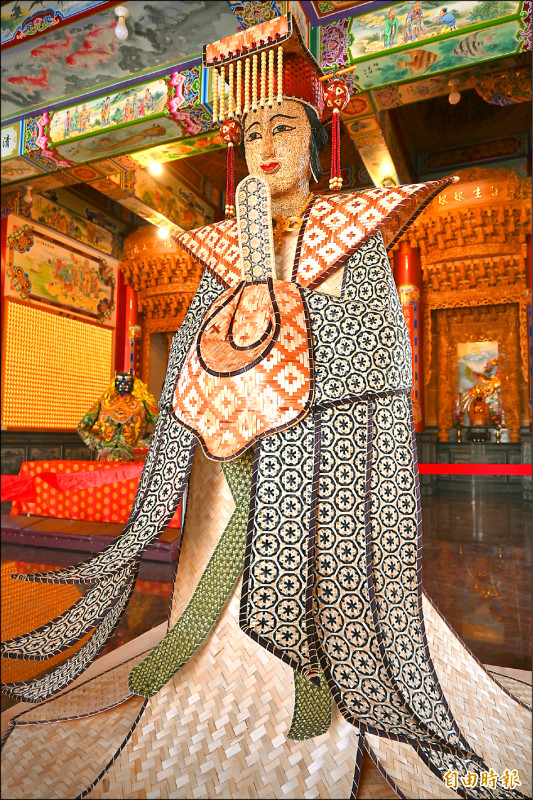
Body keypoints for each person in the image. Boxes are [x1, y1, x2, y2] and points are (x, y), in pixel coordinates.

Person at [1, 14, 529, 800]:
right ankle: (202, 656)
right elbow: (193, 345)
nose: (264, 146)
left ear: (314, 142)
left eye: (281, 127)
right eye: (250, 135)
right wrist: (214, 377)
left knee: (312, 564)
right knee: (217, 562)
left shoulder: (347, 229)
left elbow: (380, 345)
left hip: (319, 442)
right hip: (226, 445)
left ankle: (318, 675)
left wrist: (289, 342)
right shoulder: (223, 244)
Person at [77, 372, 158, 462]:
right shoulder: (103, 403)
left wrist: (144, 444)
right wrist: (98, 442)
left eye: (127, 381)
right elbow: (82, 427)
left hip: (133, 457)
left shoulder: (144, 404)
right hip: (106, 457)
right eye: (119, 380)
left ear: (134, 383)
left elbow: (163, 428)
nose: (123, 383)